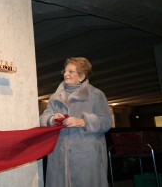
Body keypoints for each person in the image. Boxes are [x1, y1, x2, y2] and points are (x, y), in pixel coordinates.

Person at [39, 57, 112, 187]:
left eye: (71, 71)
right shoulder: (55, 97)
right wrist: (52, 119)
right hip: (58, 154)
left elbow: (106, 122)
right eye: (65, 71)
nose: (66, 74)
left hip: (86, 154)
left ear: (82, 75)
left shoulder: (95, 94)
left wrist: (82, 121)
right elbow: (43, 118)